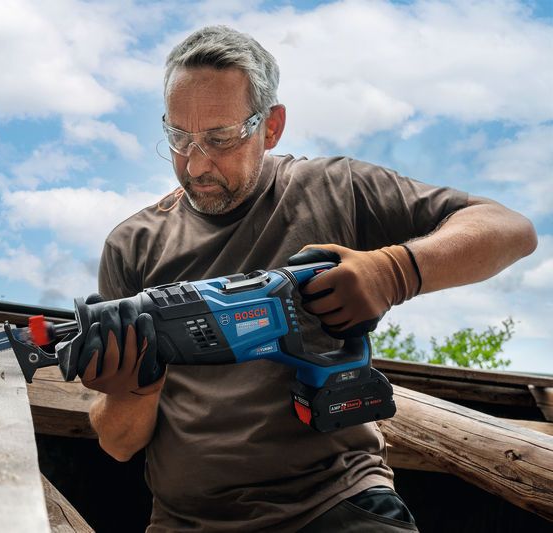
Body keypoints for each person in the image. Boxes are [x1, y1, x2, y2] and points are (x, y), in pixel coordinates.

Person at [79, 26, 537, 532]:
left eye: (219, 138)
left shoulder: (334, 189)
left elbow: (510, 229)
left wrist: (394, 271)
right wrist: (133, 393)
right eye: (178, 138)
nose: (195, 163)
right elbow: (117, 444)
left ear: (271, 127)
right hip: (187, 521)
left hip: (337, 501)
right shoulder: (132, 245)